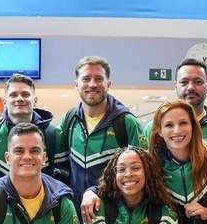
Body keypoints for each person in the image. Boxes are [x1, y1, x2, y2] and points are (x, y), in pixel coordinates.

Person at [56, 56, 142, 205]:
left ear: (108, 84)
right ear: (76, 84)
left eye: (99, 79)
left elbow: (142, 174)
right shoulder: (69, 119)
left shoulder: (126, 122)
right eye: (86, 79)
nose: (92, 84)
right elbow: (60, 168)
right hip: (78, 215)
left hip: (116, 217)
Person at [142, 58, 207, 173]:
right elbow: (144, 164)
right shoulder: (154, 128)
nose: (190, 87)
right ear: (176, 87)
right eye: (184, 82)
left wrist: (189, 161)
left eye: (198, 82)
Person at [0, 73, 65, 189]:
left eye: (25, 94)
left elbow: (66, 178)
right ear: (4, 101)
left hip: (43, 205)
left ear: (35, 100)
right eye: (13, 95)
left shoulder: (54, 135)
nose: (19, 99)